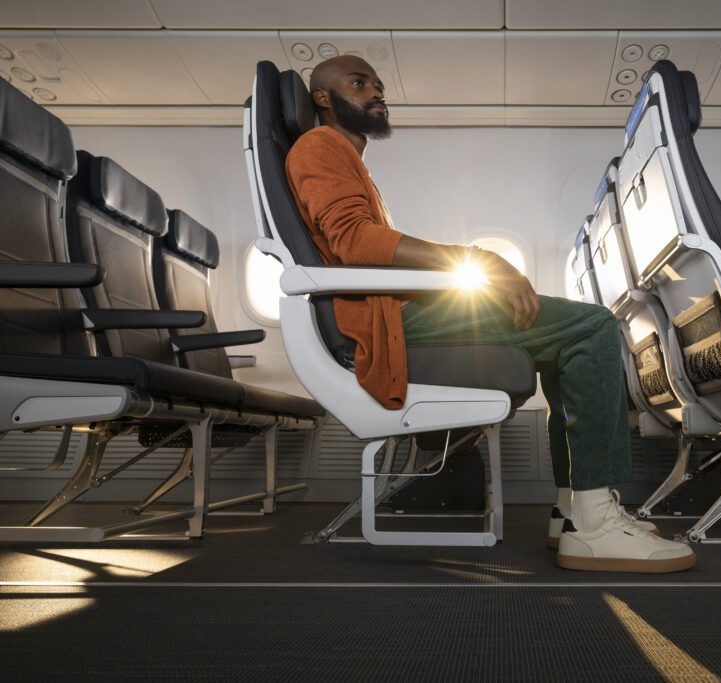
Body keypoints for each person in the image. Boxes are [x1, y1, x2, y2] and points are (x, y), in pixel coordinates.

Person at [285, 55, 695, 573]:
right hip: (384, 324)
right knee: (593, 326)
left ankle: (576, 512)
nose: (375, 93)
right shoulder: (318, 146)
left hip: (396, 311)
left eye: (379, 85)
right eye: (359, 83)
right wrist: (477, 260)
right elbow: (356, 242)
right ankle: (593, 525)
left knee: (571, 333)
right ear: (322, 98)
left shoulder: (345, 158)